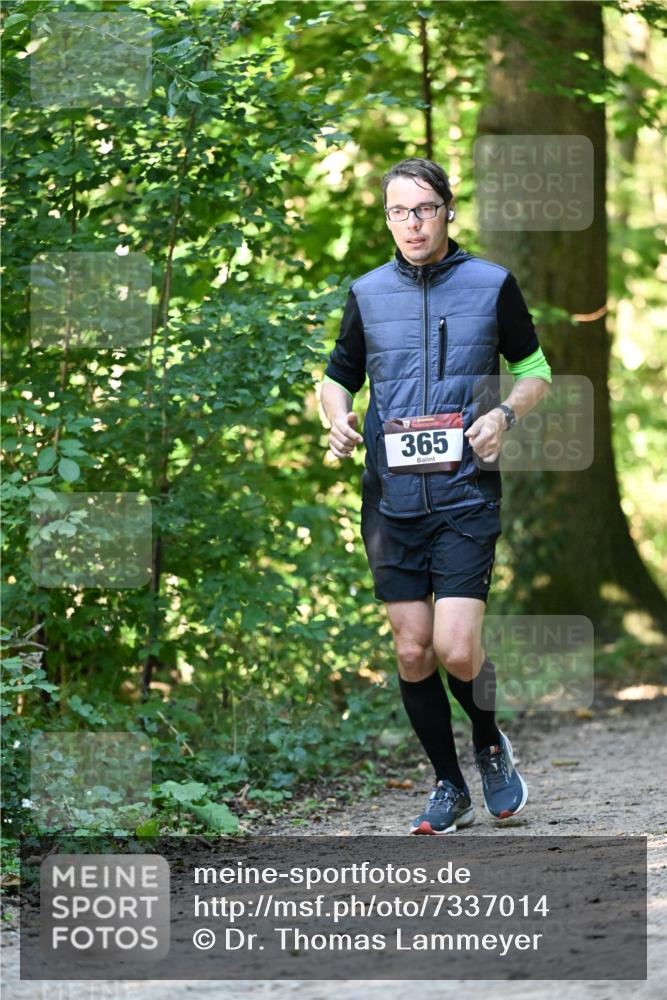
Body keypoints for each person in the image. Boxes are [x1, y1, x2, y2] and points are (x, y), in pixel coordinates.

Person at [319, 157, 552, 835]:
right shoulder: (366, 292)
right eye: (398, 211)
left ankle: (487, 741)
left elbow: (534, 370)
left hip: (464, 496)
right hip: (389, 501)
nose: (412, 223)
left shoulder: (490, 285)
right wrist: (334, 418)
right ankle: (447, 786)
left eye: (423, 208)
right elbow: (337, 376)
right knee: (412, 649)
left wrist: (502, 417)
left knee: (454, 648)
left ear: (447, 209)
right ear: (387, 218)